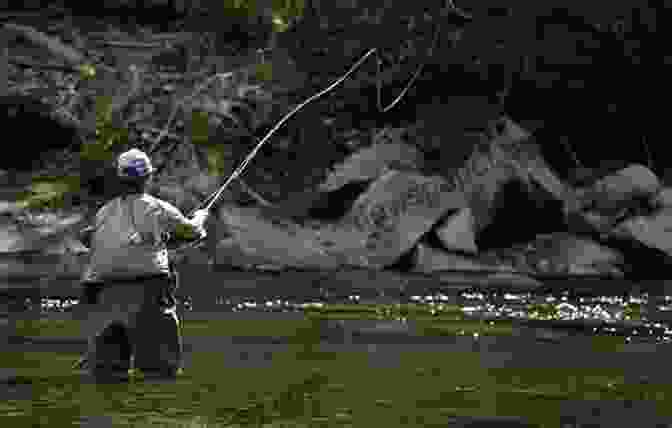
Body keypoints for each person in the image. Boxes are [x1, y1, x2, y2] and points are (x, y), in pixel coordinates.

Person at [77, 148, 210, 381]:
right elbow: (194, 232)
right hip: (149, 291)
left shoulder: (103, 212)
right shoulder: (157, 207)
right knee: (159, 371)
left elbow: (92, 239)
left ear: (119, 179)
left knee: (108, 374)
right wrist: (201, 216)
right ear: (148, 178)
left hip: (102, 295)